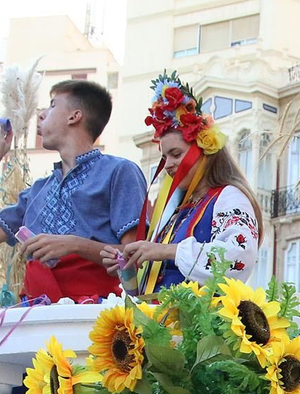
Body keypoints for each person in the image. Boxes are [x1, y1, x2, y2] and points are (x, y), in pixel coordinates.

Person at [0, 78, 147, 304]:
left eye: (52, 105)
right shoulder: (37, 191)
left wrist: (74, 245)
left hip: (93, 316)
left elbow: (135, 258)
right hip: (34, 313)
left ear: (75, 116)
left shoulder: (119, 172)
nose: (41, 115)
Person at [105, 71, 259, 294]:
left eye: (176, 154)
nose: (168, 165)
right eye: (164, 157)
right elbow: (146, 291)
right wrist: (125, 269)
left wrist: (168, 251)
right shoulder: (175, 213)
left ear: (205, 150)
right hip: (159, 323)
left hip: (195, 325)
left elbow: (239, 258)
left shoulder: (228, 197)